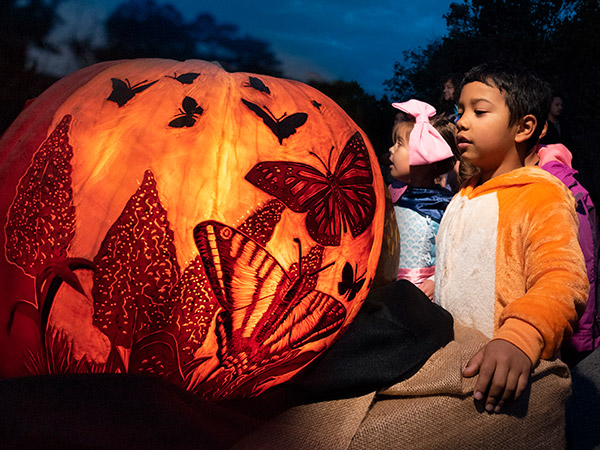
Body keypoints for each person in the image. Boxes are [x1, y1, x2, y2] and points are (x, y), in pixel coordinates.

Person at [434, 61, 589, 413]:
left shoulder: (541, 194)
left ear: (524, 127)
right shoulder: (461, 197)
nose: (461, 121)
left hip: (508, 373)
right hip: (453, 368)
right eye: (460, 110)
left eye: (479, 110)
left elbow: (562, 280)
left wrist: (519, 339)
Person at [525, 141, 599, 366]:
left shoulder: (557, 187)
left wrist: (580, 333)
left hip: (563, 331)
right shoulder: (560, 182)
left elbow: (583, 262)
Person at [387, 99, 456, 300]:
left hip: (423, 297)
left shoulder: (446, 205)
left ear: (424, 154)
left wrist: (436, 280)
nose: (391, 149)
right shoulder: (389, 197)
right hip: (387, 291)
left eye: (399, 144)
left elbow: (454, 253)